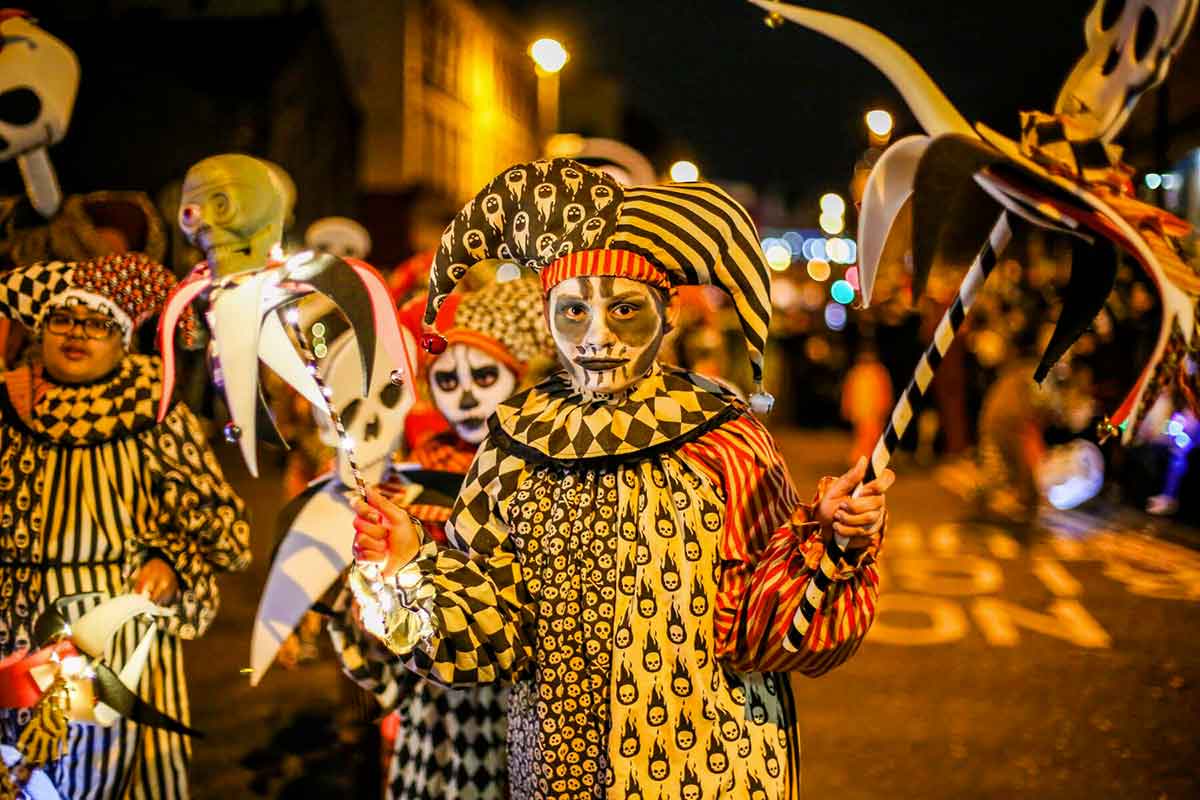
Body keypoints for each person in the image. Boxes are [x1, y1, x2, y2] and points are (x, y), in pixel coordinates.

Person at [350, 158, 892, 799]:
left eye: (625, 308)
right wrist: (410, 564)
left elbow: (764, 626)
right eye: (574, 311)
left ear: (667, 312)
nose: (597, 335)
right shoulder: (515, 441)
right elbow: (489, 625)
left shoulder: (723, 437)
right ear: (548, 316)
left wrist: (833, 541)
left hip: (712, 776)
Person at [0, 253, 250, 799]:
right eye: (63, 318)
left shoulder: (154, 411)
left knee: (105, 782)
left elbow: (224, 530)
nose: (77, 333)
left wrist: (171, 562)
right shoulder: (6, 404)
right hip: (12, 640)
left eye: (98, 323)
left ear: (125, 338)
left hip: (115, 639)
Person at [330, 277, 554, 799]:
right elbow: (368, 610)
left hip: (520, 701)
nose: (468, 395)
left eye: (483, 375)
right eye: (447, 382)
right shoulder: (406, 479)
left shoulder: (543, 472)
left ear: (517, 377)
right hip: (431, 709)